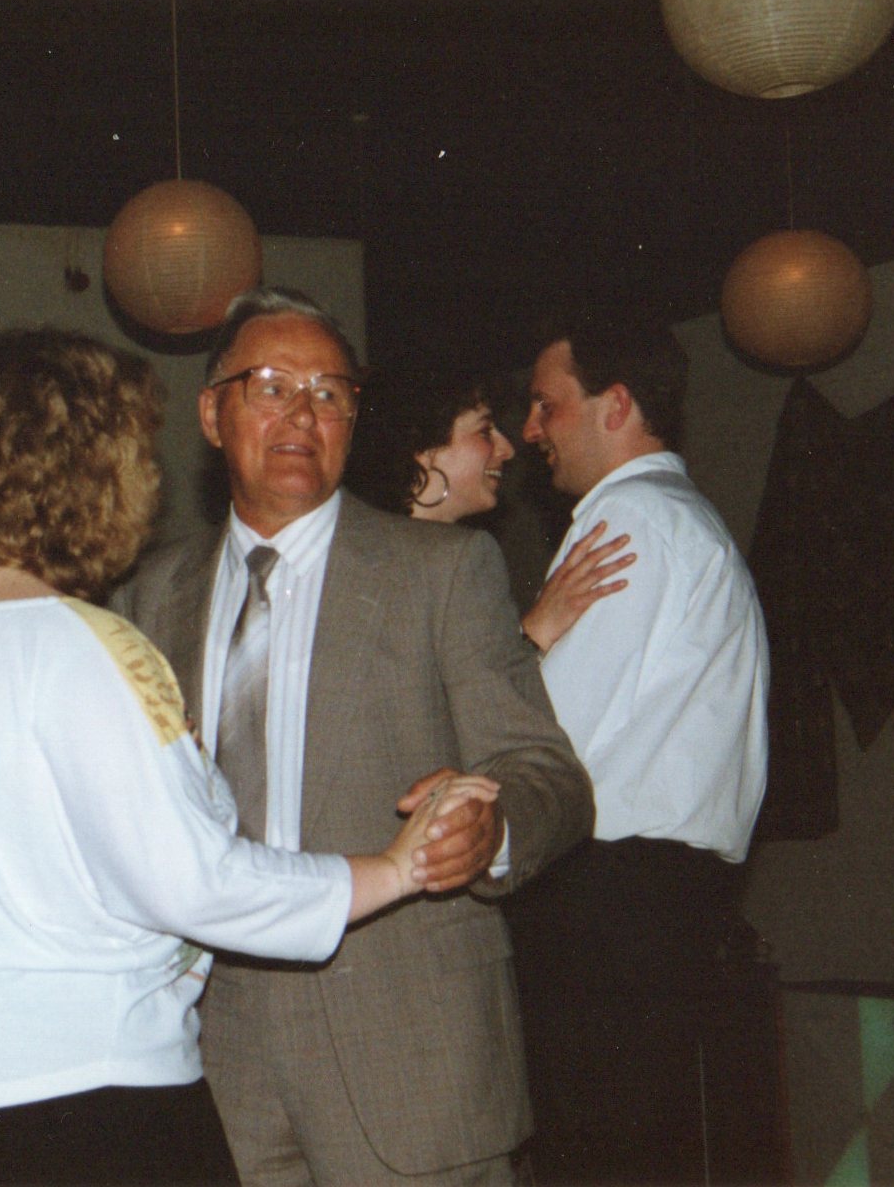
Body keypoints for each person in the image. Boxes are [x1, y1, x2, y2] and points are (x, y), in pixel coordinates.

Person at [0, 327, 497, 1185]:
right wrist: (393, 869)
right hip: (69, 1102)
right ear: (100, 472)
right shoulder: (84, 644)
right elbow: (196, 881)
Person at [112, 288, 593, 1186]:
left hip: (408, 1049)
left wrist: (493, 834)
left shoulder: (440, 573)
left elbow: (548, 773)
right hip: (210, 1052)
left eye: (331, 393)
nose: (304, 413)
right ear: (213, 414)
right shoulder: (151, 597)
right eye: (272, 386)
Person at [508, 307, 769, 1184]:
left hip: (612, 899)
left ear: (615, 403)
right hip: (651, 900)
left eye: (548, 406)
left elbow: (544, 741)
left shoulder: (631, 524)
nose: (530, 430)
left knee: (592, 1153)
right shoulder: (674, 517)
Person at [344, 366, 636, 649]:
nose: (506, 450)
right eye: (485, 432)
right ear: (425, 448)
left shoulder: (375, 554)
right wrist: (536, 631)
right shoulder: (446, 560)